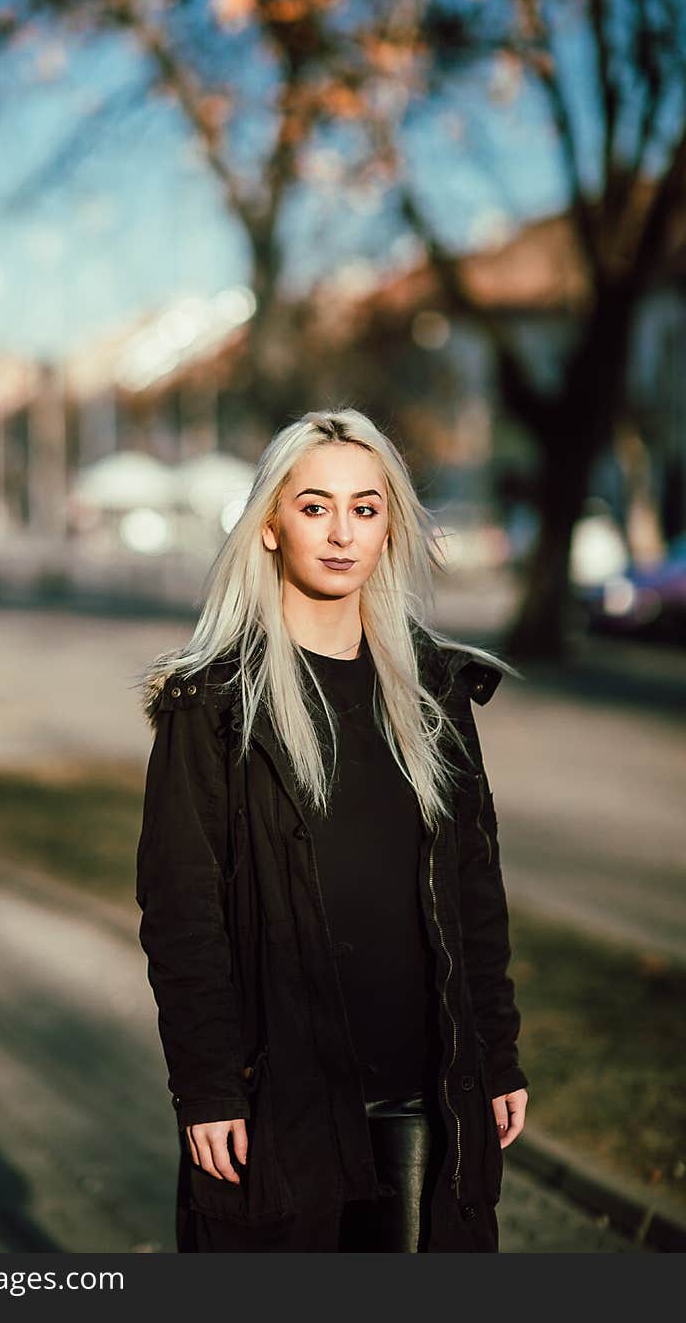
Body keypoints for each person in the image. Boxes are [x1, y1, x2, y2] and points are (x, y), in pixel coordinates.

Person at [135, 408, 529, 1253]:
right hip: (285, 1103)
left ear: (390, 526)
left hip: (431, 1093)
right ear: (270, 525)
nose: (342, 532)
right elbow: (182, 914)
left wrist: (494, 1055)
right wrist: (207, 1088)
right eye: (314, 507)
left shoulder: (434, 693)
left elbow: (473, 887)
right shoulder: (209, 704)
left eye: (366, 506)